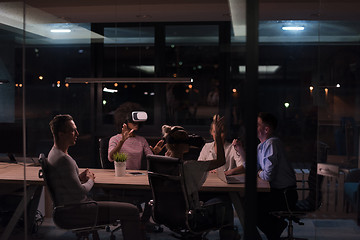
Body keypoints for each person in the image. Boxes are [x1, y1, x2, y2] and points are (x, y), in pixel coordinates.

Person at [47, 114, 144, 240]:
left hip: (70, 208)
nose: (77, 133)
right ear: (61, 134)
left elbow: (67, 184)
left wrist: (79, 178)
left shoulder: (54, 153)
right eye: (73, 130)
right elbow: (81, 191)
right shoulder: (64, 159)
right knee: (132, 210)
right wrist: (91, 180)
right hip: (77, 211)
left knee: (124, 207)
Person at [162, 115, 241, 240]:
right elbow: (220, 161)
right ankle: (228, 236)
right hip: (192, 215)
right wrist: (218, 138)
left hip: (168, 212)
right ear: (181, 145)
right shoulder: (190, 166)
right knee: (225, 201)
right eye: (186, 140)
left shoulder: (162, 164)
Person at [256, 112, 298, 240]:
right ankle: (275, 230)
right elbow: (256, 168)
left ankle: (275, 229)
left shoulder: (272, 144)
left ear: (266, 129)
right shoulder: (261, 146)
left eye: (257, 124)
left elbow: (267, 175)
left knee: (251, 206)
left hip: (285, 195)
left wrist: (258, 173)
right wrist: (240, 151)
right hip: (279, 192)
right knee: (250, 202)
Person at [108, 102, 164, 169]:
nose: (136, 123)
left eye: (138, 121)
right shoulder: (115, 139)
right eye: (133, 121)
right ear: (125, 121)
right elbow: (111, 157)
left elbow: (150, 158)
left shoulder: (141, 140)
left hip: (136, 175)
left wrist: (155, 154)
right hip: (120, 174)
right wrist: (122, 141)